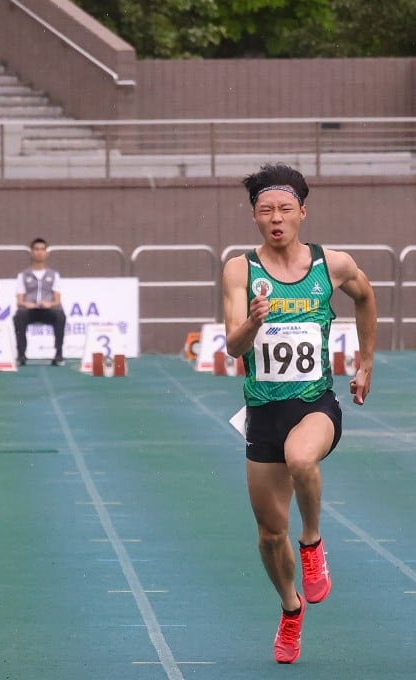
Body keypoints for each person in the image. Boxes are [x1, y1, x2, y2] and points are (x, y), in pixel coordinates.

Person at [221, 162, 376, 664]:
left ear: (303, 212)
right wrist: (253, 322)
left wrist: (365, 363)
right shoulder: (240, 269)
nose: (276, 218)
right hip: (262, 411)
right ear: (254, 217)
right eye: (265, 210)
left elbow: (367, 296)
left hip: (315, 405)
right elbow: (231, 346)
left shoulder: (331, 265)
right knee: (269, 536)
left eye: (285, 208)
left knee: (301, 459)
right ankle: (290, 611)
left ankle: (313, 542)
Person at [13, 237, 66, 366]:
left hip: (48, 309)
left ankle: (58, 354)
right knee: (19, 315)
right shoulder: (23, 275)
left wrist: (50, 304)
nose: (39, 252)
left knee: (60, 315)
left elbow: (58, 300)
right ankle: (21, 355)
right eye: (36, 249)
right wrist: (26, 304)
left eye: (42, 249)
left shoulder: (54, 275)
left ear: (47, 253)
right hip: (30, 310)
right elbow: (19, 301)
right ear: (31, 252)